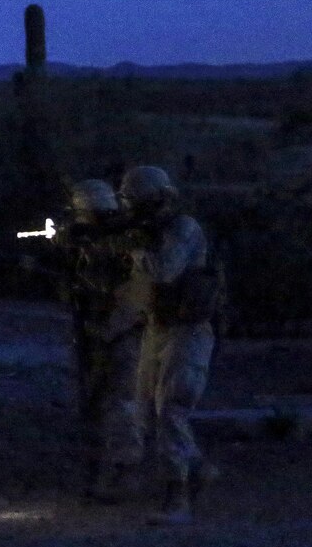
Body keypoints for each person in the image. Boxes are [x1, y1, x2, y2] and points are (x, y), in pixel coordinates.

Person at [117, 166, 219, 525]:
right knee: (145, 412)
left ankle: (177, 499)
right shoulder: (150, 232)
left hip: (187, 331)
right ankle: (196, 470)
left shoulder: (182, 229)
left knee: (170, 410)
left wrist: (137, 246)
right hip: (158, 329)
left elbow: (164, 271)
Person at [58, 179, 147, 503]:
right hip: (99, 332)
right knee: (96, 406)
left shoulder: (126, 241)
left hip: (123, 331)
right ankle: (100, 473)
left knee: (123, 404)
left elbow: (132, 289)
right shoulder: (96, 243)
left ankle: (125, 473)